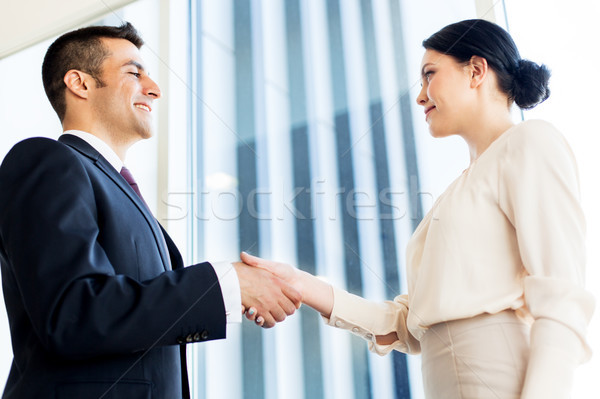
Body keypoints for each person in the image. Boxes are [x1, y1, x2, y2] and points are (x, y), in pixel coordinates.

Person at [240, 19, 595, 399]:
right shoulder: (458, 190)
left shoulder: (529, 142)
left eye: (430, 75)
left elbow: (562, 302)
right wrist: (300, 284)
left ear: (476, 71)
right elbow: (407, 324)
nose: (421, 96)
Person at [0, 23, 301, 399]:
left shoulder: (119, 190)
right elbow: (73, 313)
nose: (155, 89)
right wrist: (227, 284)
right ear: (80, 83)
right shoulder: (46, 160)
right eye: (133, 72)